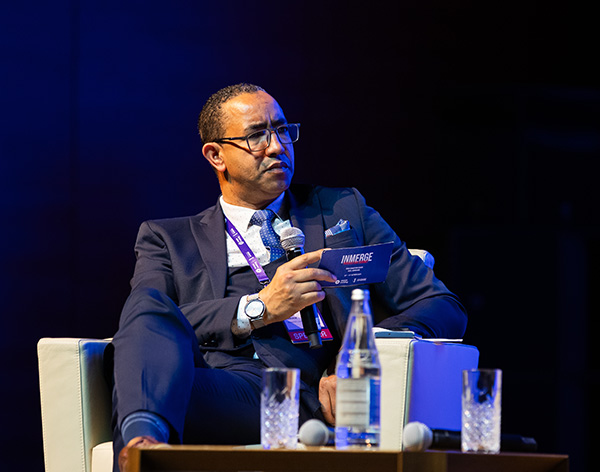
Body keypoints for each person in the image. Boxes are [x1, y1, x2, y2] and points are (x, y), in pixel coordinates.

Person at [110, 83, 467, 471]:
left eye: (282, 130)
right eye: (256, 136)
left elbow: (442, 305)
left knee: (149, 393)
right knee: (147, 323)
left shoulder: (341, 209)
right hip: (222, 385)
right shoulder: (168, 239)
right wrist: (257, 308)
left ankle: (142, 445)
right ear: (216, 155)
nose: (277, 147)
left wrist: (359, 357)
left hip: (303, 396)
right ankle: (142, 447)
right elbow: (149, 323)